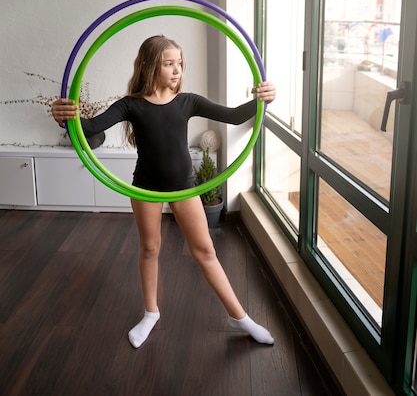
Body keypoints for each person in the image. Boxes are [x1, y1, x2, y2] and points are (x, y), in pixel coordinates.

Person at [51, 35, 276, 349]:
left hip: (184, 187)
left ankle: (239, 317)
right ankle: (151, 313)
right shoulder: (131, 105)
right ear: (149, 66)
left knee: (206, 251)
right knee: (149, 249)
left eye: (180, 63)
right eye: (169, 63)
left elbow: (234, 115)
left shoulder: (188, 102)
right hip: (145, 187)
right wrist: (65, 115)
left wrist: (262, 98)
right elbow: (88, 128)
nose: (177, 70)